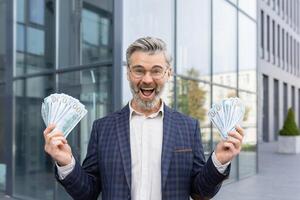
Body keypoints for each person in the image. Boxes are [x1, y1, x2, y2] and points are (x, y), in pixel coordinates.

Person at [43, 37, 244, 200]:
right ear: (129, 73)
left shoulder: (188, 127)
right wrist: (66, 162)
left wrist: (218, 161)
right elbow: (87, 193)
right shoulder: (102, 128)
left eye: (156, 71)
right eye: (139, 70)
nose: (147, 79)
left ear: (168, 74)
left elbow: (200, 192)